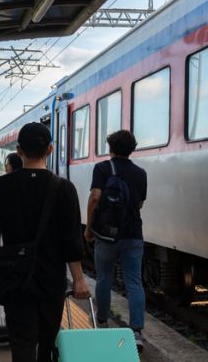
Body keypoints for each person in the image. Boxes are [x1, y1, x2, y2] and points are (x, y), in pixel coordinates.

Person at [0, 122, 89, 362]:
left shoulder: (1, 186)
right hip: (51, 280)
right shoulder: (64, 189)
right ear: (50, 150)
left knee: (22, 342)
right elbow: (71, 240)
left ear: (19, 151)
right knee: (47, 343)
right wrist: (78, 279)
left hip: (16, 279)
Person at [84, 130, 147, 352]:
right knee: (134, 282)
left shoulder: (102, 168)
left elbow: (95, 198)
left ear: (110, 148)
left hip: (106, 235)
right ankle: (137, 332)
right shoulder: (141, 173)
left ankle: (102, 323)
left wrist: (89, 227)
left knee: (104, 278)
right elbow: (139, 204)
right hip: (132, 235)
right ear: (132, 149)